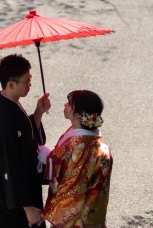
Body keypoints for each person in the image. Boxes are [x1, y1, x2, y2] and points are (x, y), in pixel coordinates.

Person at [0, 54, 51, 228]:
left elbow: (23, 136)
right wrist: (27, 207)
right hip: (10, 203)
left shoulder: (11, 104)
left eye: (31, 79)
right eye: (26, 81)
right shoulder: (3, 117)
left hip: (22, 193)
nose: (30, 84)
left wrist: (38, 112)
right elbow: (8, 164)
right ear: (11, 84)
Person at [40, 90, 113, 228]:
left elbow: (67, 182)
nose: (65, 105)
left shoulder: (77, 148)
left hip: (75, 219)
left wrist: (46, 156)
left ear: (78, 114)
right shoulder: (101, 146)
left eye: (69, 104)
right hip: (94, 213)